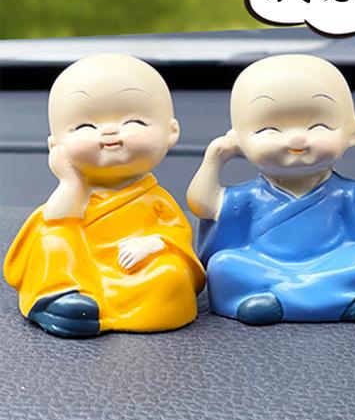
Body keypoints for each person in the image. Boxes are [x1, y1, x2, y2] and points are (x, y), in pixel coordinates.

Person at [188, 55, 355, 325]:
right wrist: (214, 159)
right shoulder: (250, 197)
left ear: (348, 131)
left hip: (335, 259)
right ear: (238, 138)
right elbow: (202, 205)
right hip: (265, 263)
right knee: (224, 263)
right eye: (269, 129)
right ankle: (340, 298)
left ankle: (276, 299)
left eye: (318, 126)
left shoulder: (345, 194)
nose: (296, 139)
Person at [4, 54, 205, 337]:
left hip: (133, 268)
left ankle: (100, 313)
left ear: (171, 132)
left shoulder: (154, 198)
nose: (109, 131)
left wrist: (152, 243)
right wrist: (70, 182)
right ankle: (59, 298)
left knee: (171, 274)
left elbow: (177, 233)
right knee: (52, 239)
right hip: (78, 269)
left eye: (134, 121)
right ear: (55, 144)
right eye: (85, 126)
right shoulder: (76, 192)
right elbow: (58, 219)